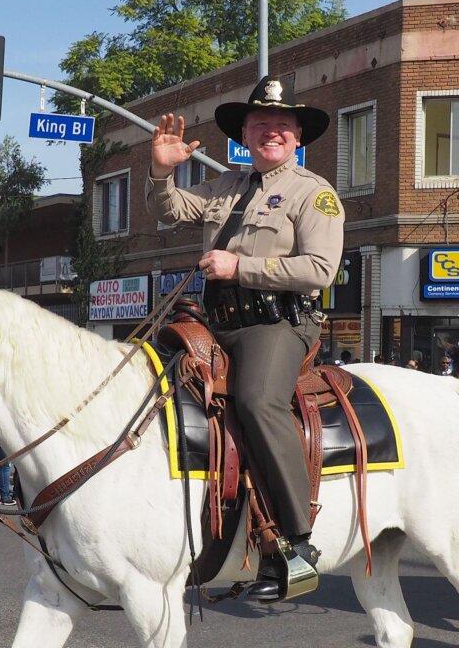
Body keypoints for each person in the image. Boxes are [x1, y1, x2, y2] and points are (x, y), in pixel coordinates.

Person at [146, 75, 343, 601]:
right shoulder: (225, 186)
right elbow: (169, 210)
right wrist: (161, 172)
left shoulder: (314, 194)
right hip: (217, 324)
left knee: (257, 401)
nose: (270, 131)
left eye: (281, 124)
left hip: (276, 325)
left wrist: (240, 267)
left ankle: (296, 544)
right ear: (245, 134)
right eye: (260, 123)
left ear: (297, 136)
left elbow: (320, 269)